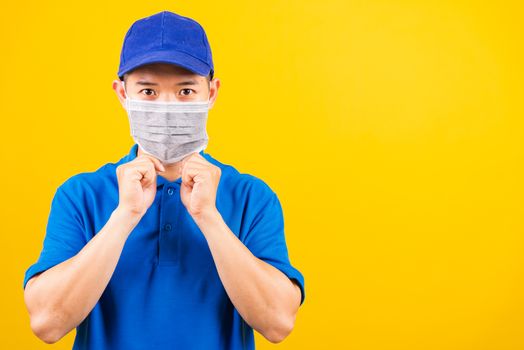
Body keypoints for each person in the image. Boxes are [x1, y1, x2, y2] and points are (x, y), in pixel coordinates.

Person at [22, 10, 305, 350]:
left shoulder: (250, 197)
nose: (167, 106)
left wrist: (209, 218)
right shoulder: (81, 196)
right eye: (148, 92)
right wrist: (124, 216)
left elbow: (278, 323)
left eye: (186, 91)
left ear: (211, 92)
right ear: (122, 94)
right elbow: (46, 323)